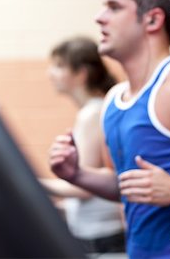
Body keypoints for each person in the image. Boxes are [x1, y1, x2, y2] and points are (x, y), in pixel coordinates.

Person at [49, 0, 170, 259]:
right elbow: (126, 185)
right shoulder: (113, 102)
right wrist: (76, 174)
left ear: (152, 20)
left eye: (114, 8)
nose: (100, 18)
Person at [41, 36, 126, 255]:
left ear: (81, 74)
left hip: (102, 240)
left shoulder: (92, 113)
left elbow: (82, 186)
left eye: (59, 66)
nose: (50, 73)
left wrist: (32, 185)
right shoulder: (90, 111)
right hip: (95, 235)